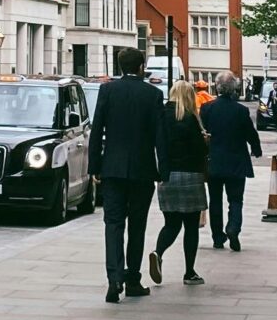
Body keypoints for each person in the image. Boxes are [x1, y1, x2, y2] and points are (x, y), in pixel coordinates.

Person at [89, 45, 161, 303]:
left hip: (113, 169)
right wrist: (162, 170)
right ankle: (133, 280)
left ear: (120, 67)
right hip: (142, 170)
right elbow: (158, 136)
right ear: (141, 67)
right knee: (137, 226)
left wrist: (94, 166)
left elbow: (97, 130)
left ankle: (113, 278)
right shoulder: (153, 94)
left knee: (113, 224)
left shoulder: (107, 90)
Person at [148, 81, 210, 286]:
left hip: (167, 176)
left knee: (171, 223)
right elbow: (199, 150)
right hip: (190, 175)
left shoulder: (162, 116)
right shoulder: (191, 118)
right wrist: (205, 142)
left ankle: (158, 252)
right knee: (191, 226)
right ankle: (189, 272)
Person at [201, 73, 261, 250]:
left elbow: (202, 133)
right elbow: (250, 133)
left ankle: (218, 237)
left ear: (217, 87)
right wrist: (256, 149)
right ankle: (233, 227)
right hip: (236, 161)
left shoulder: (206, 109)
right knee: (236, 199)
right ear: (234, 88)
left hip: (214, 161)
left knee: (215, 200)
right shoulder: (240, 110)